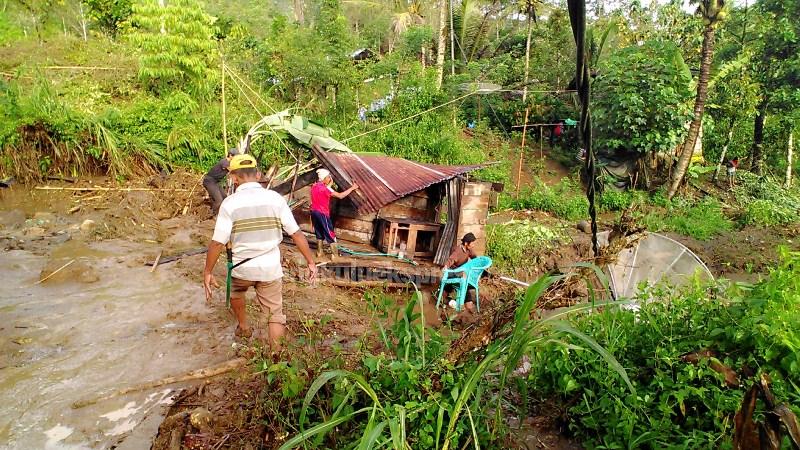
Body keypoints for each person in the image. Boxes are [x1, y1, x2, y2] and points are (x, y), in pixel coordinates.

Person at [203, 154, 318, 352]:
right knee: (275, 314)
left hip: (242, 268)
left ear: (233, 178)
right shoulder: (275, 199)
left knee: (237, 293)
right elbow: (297, 233)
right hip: (270, 269)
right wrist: (311, 262)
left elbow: (217, 243)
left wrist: (208, 272)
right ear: (257, 174)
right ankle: (276, 356)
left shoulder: (229, 204)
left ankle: (244, 327)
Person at [309, 168, 359, 260]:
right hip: (322, 213)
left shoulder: (314, 186)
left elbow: (326, 188)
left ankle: (319, 252)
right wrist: (353, 188)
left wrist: (329, 183)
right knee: (330, 233)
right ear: (324, 178)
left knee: (319, 232)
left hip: (314, 212)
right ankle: (334, 255)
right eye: (328, 177)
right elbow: (340, 196)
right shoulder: (325, 189)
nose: (330, 178)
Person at [442, 232, 479, 311]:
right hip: (453, 272)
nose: (473, 245)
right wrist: (445, 267)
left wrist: (480, 263)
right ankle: (467, 301)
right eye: (472, 244)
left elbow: (475, 258)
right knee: (462, 281)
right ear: (466, 243)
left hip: (461, 271)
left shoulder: (469, 250)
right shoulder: (458, 251)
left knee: (464, 280)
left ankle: (447, 294)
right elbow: (450, 260)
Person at [203, 148, 238, 215]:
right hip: (209, 181)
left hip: (215, 182)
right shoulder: (225, 162)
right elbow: (233, 171)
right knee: (219, 201)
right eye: (235, 157)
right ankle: (211, 215)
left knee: (225, 198)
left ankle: (220, 213)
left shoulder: (229, 163)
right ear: (230, 155)